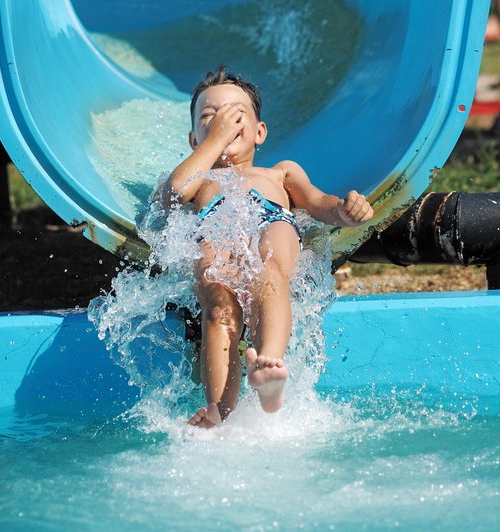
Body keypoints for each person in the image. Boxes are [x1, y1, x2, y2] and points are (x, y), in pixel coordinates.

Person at [159, 66, 374, 429]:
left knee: (270, 275)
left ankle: (269, 366)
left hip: (271, 219)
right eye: (209, 118)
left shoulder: (280, 172)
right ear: (195, 140)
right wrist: (217, 141)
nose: (222, 122)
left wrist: (345, 210)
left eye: (235, 115)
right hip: (216, 225)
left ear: (259, 132)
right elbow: (174, 193)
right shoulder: (201, 178)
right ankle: (217, 413)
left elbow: (319, 202)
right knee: (217, 305)